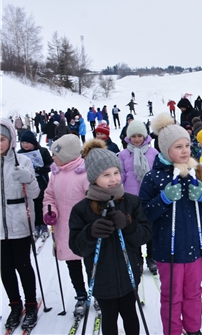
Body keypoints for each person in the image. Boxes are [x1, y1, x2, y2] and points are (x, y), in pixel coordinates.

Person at [138, 113, 202, 335]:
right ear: (165, 150)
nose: (185, 151)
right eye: (178, 146)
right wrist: (163, 199)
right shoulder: (153, 178)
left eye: (187, 145)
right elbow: (145, 214)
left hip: (196, 247)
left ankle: (193, 329)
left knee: (194, 293)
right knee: (172, 296)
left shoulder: (198, 172)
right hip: (168, 250)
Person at [69, 139, 152, 335]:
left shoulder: (131, 202)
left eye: (116, 172)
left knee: (131, 314)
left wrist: (129, 225)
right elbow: (76, 246)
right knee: (109, 317)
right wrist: (90, 233)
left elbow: (146, 235)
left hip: (129, 273)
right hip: (101, 278)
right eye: (106, 175)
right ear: (93, 178)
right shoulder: (81, 210)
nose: (114, 178)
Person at [43, 134, 90, 316]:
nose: (52, 157)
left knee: (90, 262)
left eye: (55, 154)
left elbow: (92, 200)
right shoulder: (55, 174)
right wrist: (50, 210)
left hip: (84, 228)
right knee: (72, 263)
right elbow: (49, 196)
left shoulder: (84, 173)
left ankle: (98, 292)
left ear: (67, 154)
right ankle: (80, 295)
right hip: (64, 228)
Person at [1, 119, 41, 332]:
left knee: (23, 266)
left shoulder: (22, 162)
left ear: (10, 140)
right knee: (5, 269)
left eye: (1, 139)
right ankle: (15, 305)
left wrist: (29, 180)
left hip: (19, 222)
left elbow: (35, 194)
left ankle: (31, 304)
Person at [118, 120, 159, 274]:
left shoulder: (153, 153)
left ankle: (151, 257)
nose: (136, 139)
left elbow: (157, 172)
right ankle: (137, 259)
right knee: (132, 228)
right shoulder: (122, 154)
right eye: (133, 136)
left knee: (149, 228)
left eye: (139, 136)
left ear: (145, 136)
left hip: (149, 196)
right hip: (130, 198)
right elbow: (120, 173)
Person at [18, 130, 53, 238]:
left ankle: (43, 224)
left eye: (27, 142)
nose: (25, 145)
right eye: (23, 143)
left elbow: (51, 163)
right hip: (27, 184)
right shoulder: (19, 153)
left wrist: (44, 169)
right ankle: (35, 225)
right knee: (31, 205)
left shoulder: (42, 151)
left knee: (41, 204)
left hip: (41, 182)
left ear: (33, 142)